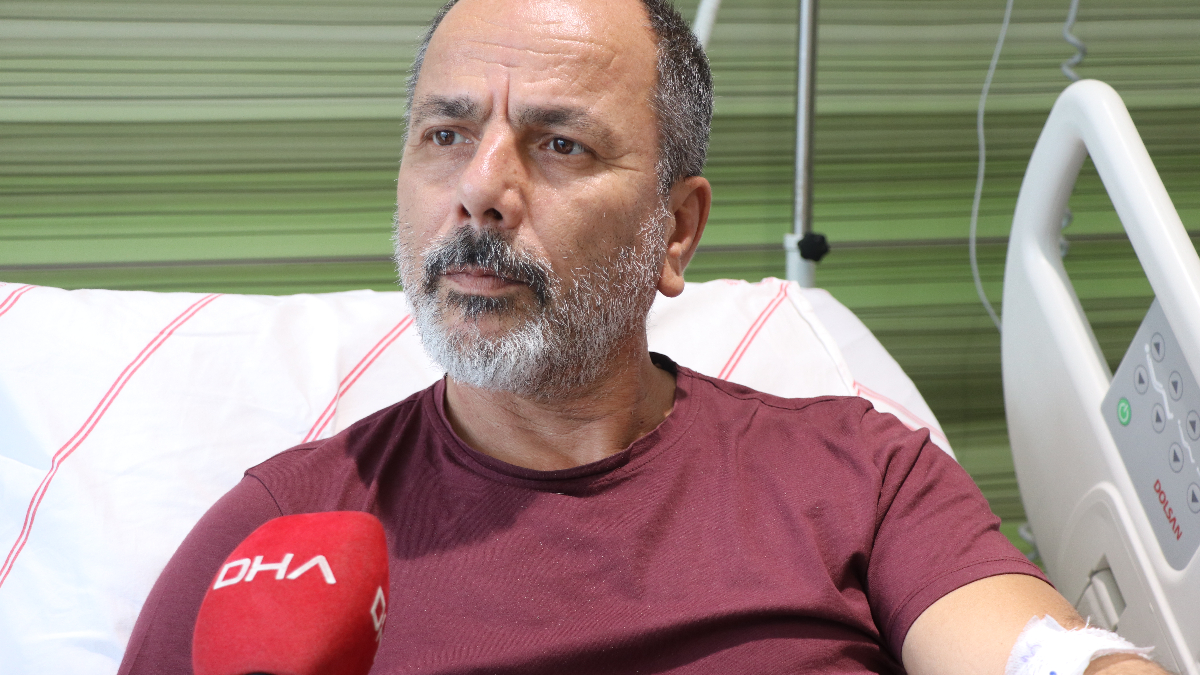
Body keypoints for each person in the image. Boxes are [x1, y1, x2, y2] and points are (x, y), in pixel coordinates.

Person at [119, 1, 1166, 673]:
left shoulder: (858, 474)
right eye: (445, 134)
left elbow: (1036, 657)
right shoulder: (283, 542)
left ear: (676, 231)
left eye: (560, 144)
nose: (480, 189)